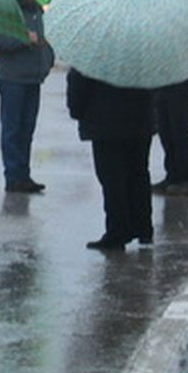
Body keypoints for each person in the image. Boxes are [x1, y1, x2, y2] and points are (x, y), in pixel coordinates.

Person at [66, 68, 155, 250]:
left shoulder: (95, 54)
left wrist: (77, 111)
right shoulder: (143, 50)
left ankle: (118, 231)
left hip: (104, 122)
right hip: (140, 119)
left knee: (112, 179)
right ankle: (143, 227)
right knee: (138, 173)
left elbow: (78, 85)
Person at [0, 0, 54, 193]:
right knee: (12, 129)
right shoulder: (7, 10)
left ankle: (24, 174)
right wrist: (23, 38)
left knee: (27, 129)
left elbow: (43, 38)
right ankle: (13, 176)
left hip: (33, 79)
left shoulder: (37, 11)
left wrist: (47, 59)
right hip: (12, 78)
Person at [151, 73, 188, 196]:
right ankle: (172, 176)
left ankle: (187, 179)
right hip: (162, 83)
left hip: (183, 85)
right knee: (166, 130)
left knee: (180, 132)